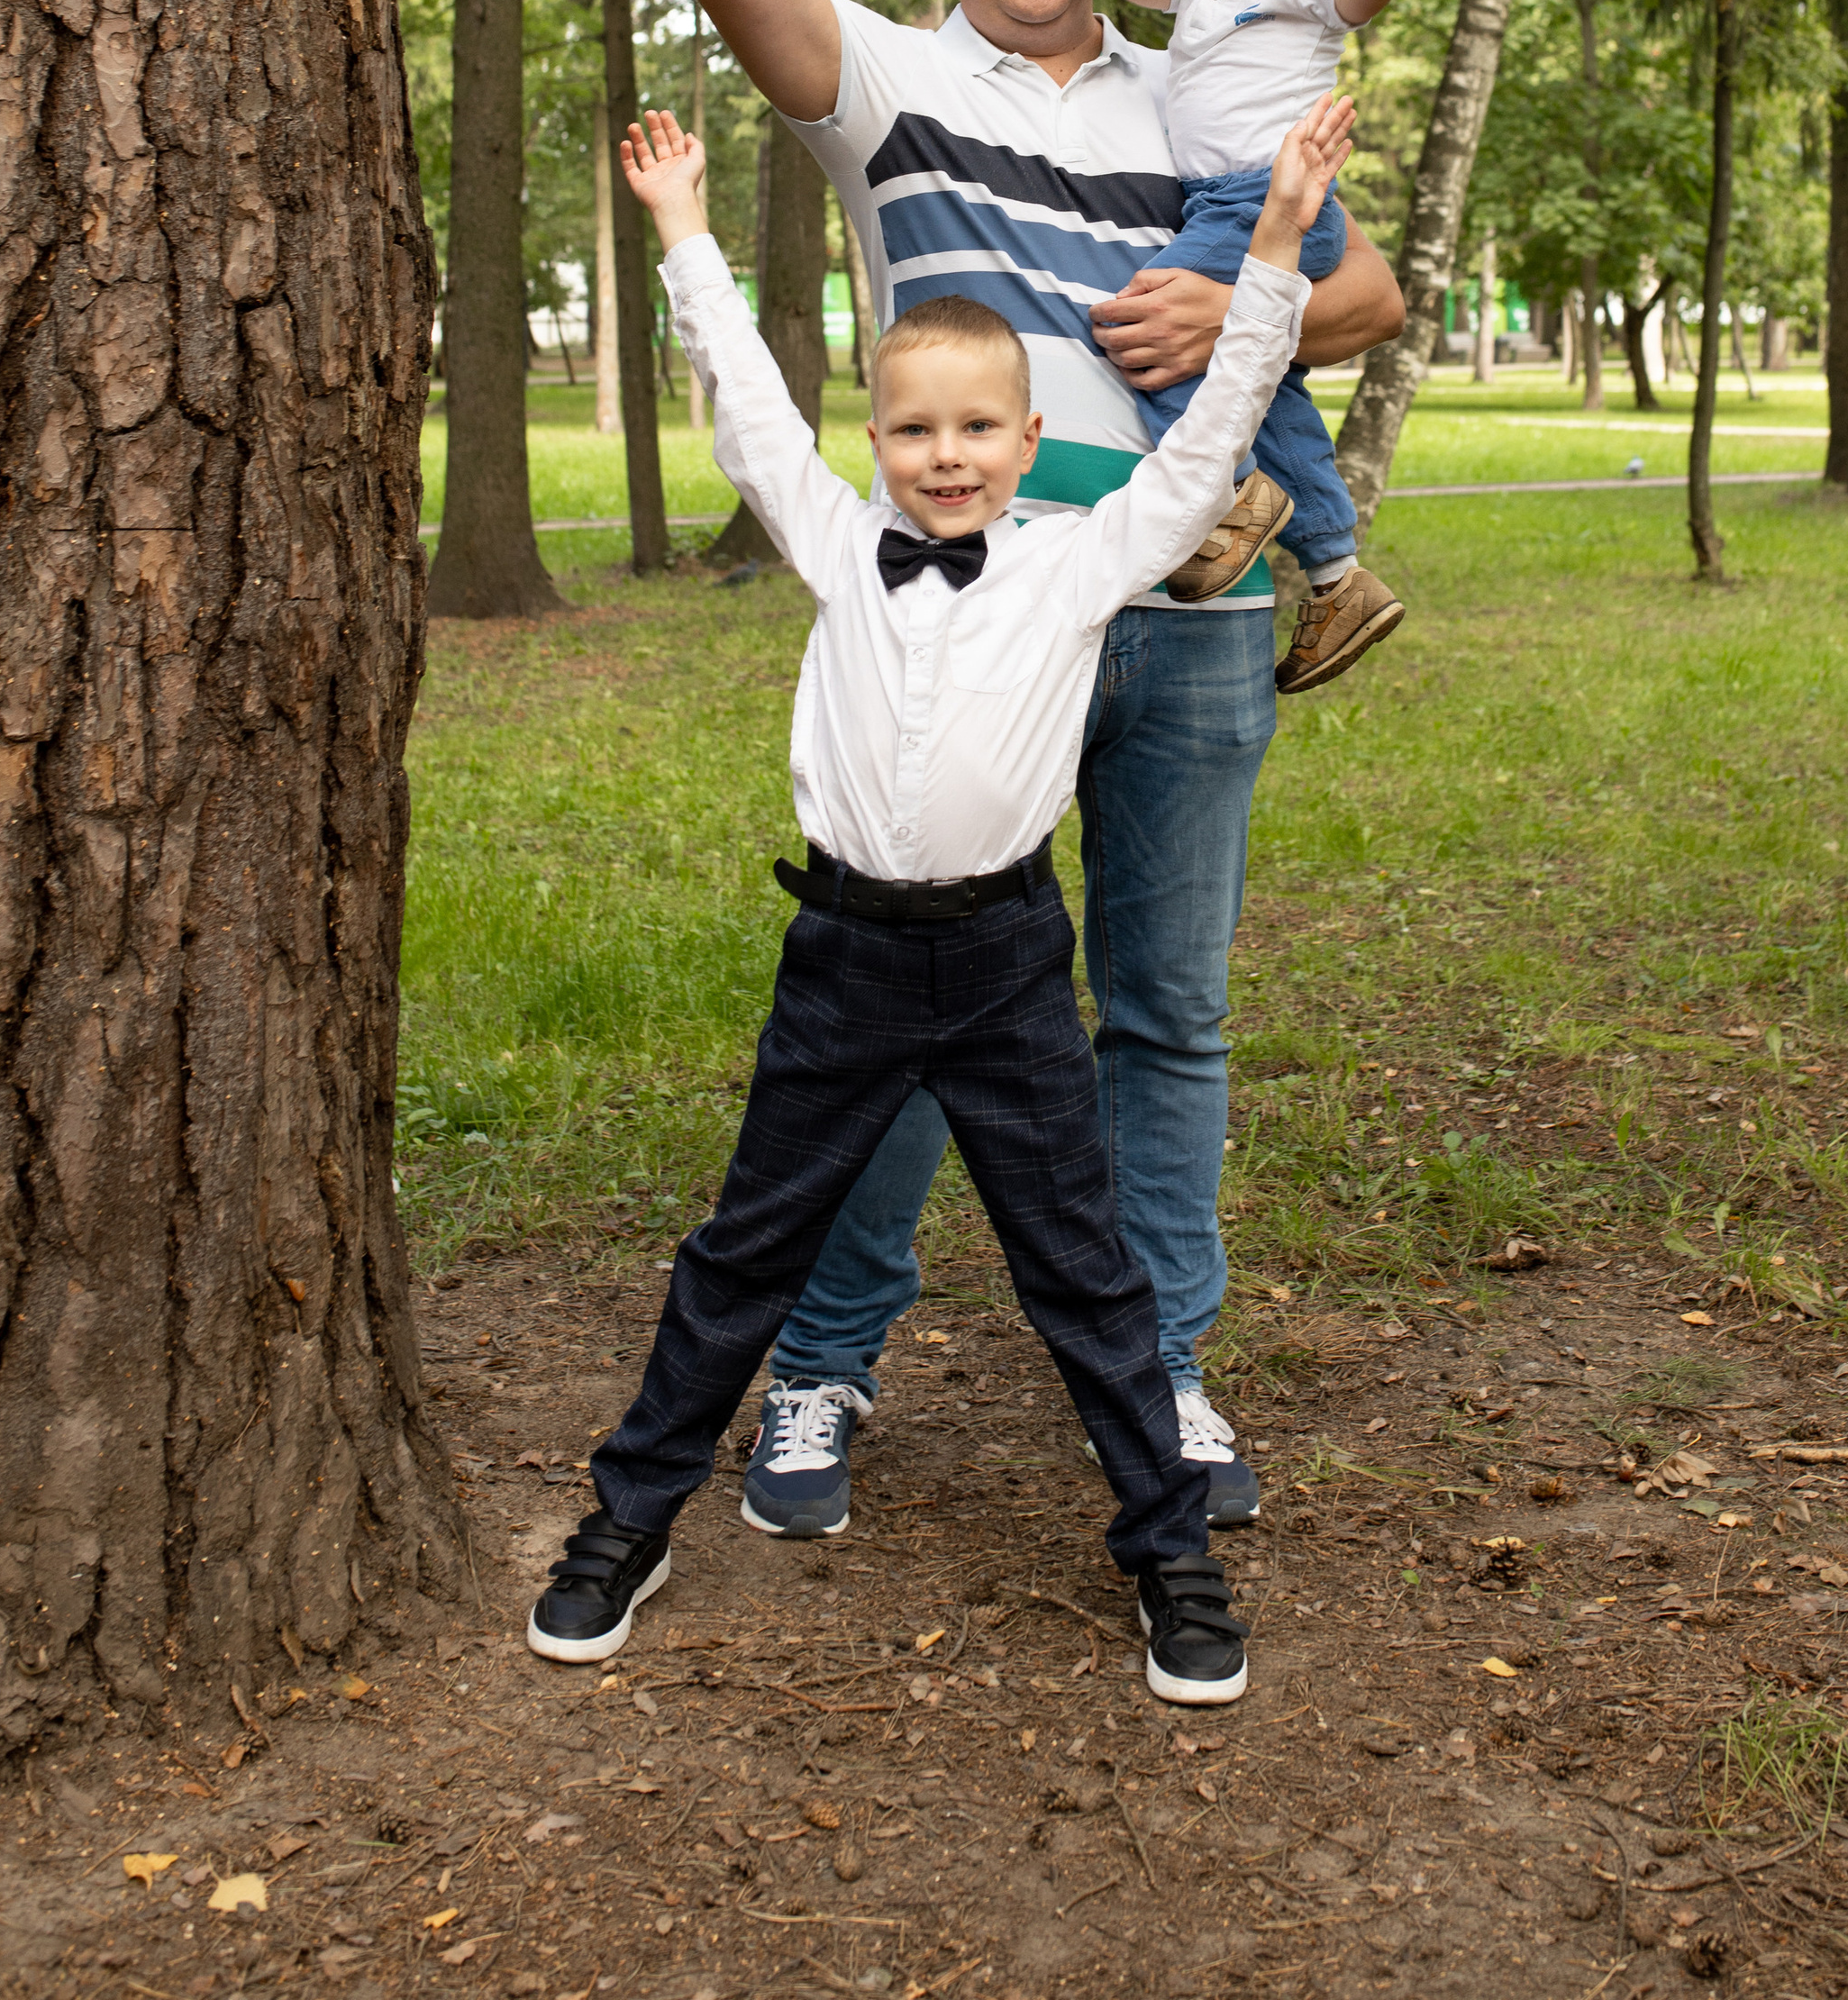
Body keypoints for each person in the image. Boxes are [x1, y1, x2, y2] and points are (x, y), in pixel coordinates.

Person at [533, 0, 1405, 1545]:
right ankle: (823, 1369)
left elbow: (1359, 290)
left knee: (1162, 1013)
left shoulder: (1199, 82)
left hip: (1181, 617)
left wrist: (1226, 304)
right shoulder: (881, 89)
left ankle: (1165, 1370)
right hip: (951, 629)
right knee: (911, 1021)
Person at [524, 90, 1354, 1701]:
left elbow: (1211, 427)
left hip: (1001, 964)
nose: (947, 457)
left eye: (979, 430)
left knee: (1083, 1269)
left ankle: (1170, 1555)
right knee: (742, 1256)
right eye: (915, 431)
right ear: (882, 445)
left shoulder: (1081, 561)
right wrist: (687, 231)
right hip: (841, 956)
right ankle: (628, 1520)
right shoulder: (842, 547)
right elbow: (755, 415)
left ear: (1026, 445)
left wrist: (1268, 243)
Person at [1088, 0, 1443, 691]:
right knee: (1264, 380)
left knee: (1150, 327)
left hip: (1273, 204)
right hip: (1218, 208)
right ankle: (1335, 574)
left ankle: (1224, 497)